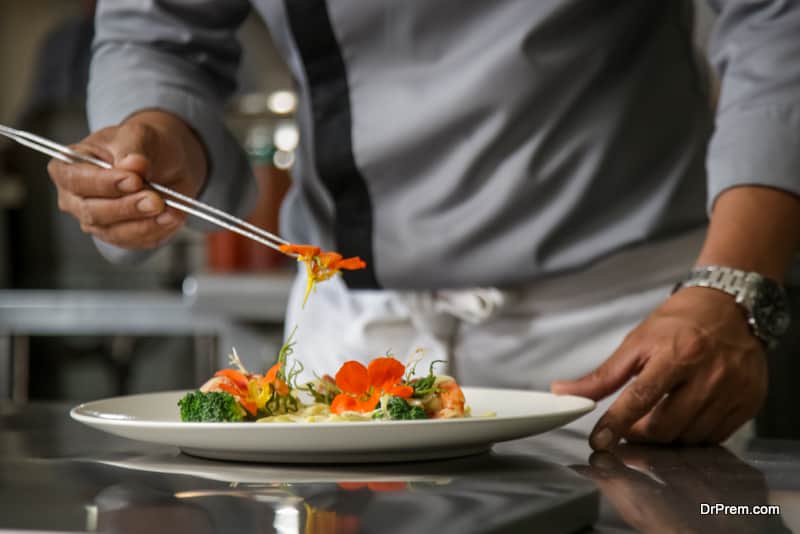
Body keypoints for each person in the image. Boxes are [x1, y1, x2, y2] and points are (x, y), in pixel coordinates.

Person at [47, 1, 800, 450]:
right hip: (351, 336)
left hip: (630, 336)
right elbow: (159, 32)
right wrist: (156, 131)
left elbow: (777, 22)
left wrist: (730, 286)